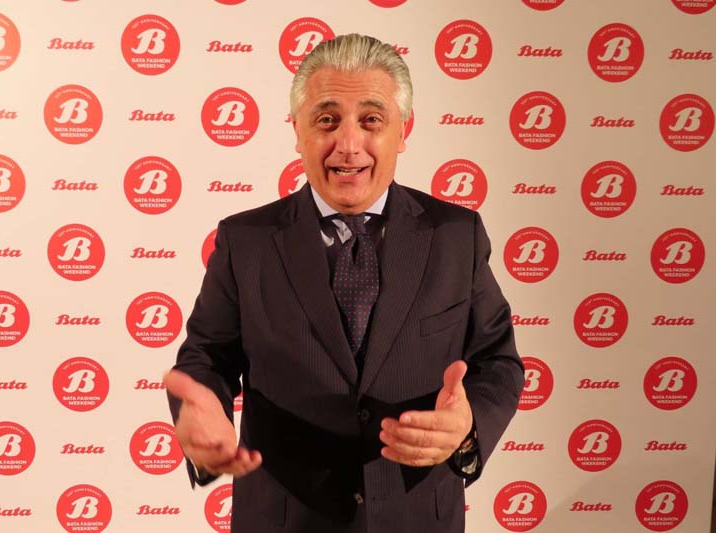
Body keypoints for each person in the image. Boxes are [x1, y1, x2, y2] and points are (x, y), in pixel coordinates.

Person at [165, 34, 524, 533]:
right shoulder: (244, 241)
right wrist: (200, 412)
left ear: (404, 130)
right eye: (327, 120)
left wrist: (468, 426)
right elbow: (206, 358)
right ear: (297, 130)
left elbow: (497, 361)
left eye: (371, 120)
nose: (349, 145)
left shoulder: (457, 235)